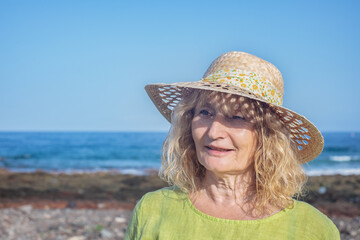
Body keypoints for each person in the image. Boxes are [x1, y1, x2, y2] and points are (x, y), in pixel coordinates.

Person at [125, 51, 340, 239]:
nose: (213, 132)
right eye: (205, 112)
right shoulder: (152, 210)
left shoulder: (313, 230)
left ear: (268, 136)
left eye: (237, 117)